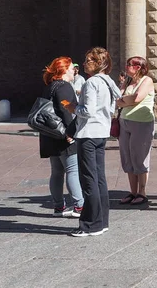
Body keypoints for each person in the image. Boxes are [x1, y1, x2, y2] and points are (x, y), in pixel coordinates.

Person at [64, 47, 121, 237]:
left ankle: (90, 224)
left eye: (89, 60)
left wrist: (74, 107)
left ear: (98, 63)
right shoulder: (109, 82)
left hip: (88, 133)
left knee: (88, 179)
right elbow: (112, 107)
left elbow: (87, 111)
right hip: (101, 132)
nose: (85, 62)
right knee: (99, 178)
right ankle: (102, 221)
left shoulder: (91, 83)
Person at [40, 56, 84, 217]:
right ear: (64, 70)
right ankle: (79, 205)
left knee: (57, 171)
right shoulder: (64, 86)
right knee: (72, 169)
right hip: (64, 134)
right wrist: (71, 132)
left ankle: (59, 206)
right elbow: (66, 111)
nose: (74, 70)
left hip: (50, 134)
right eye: (72, 67)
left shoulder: (49, 86)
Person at [116, 56, 155, 206]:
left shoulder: (147, 81)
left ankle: (142, 192)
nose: (126, 67)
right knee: (127, 157)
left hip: (142, 123)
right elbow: (117, 99)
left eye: (129, 65)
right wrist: (126, 99)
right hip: (124, 122)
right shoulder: (127, 81)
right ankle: (133, 192)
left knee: (140, 157)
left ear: (138, 67)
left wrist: (125, 100)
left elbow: (137, 98)